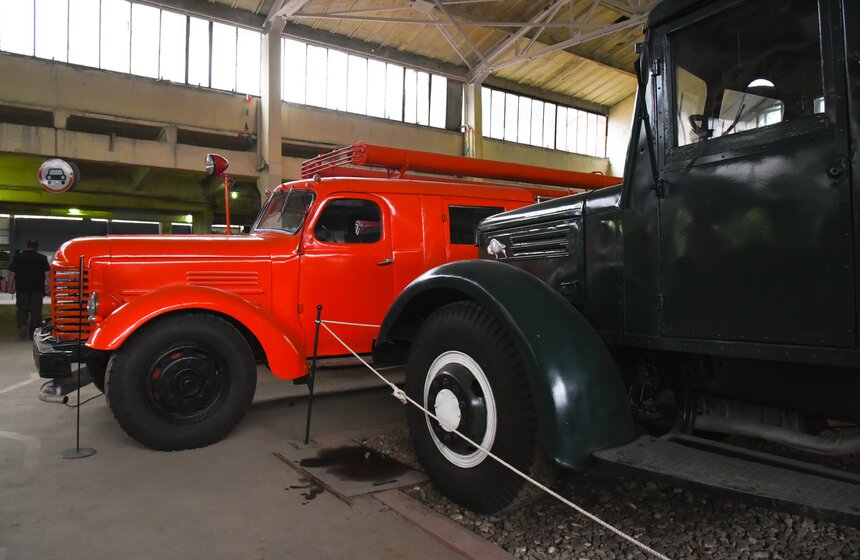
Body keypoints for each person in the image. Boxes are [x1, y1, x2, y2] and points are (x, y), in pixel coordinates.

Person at [7, 240, 50, 339]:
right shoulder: (42, 258)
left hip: (22, 289)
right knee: (36, 312)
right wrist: (50, 288)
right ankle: (33, 332)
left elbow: (12, 273)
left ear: (26, 246)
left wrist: (10, 286)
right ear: (37, 247)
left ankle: (22, 325)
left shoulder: (17, 258)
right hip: (37, 289)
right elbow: (47, 274)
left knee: (22, 309)